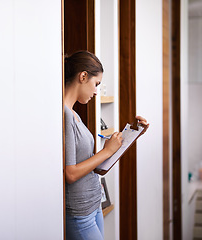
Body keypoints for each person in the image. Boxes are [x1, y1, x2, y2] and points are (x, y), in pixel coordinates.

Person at [64, 50, 149, 240]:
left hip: (93, 205)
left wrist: (132, 136)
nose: (96, 91)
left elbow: (92, 165)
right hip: (80, 213)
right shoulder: (65, 116)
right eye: (96, 84)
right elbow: (70, 173)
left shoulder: (74, 114)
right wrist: (106, 151)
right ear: (83, 76)